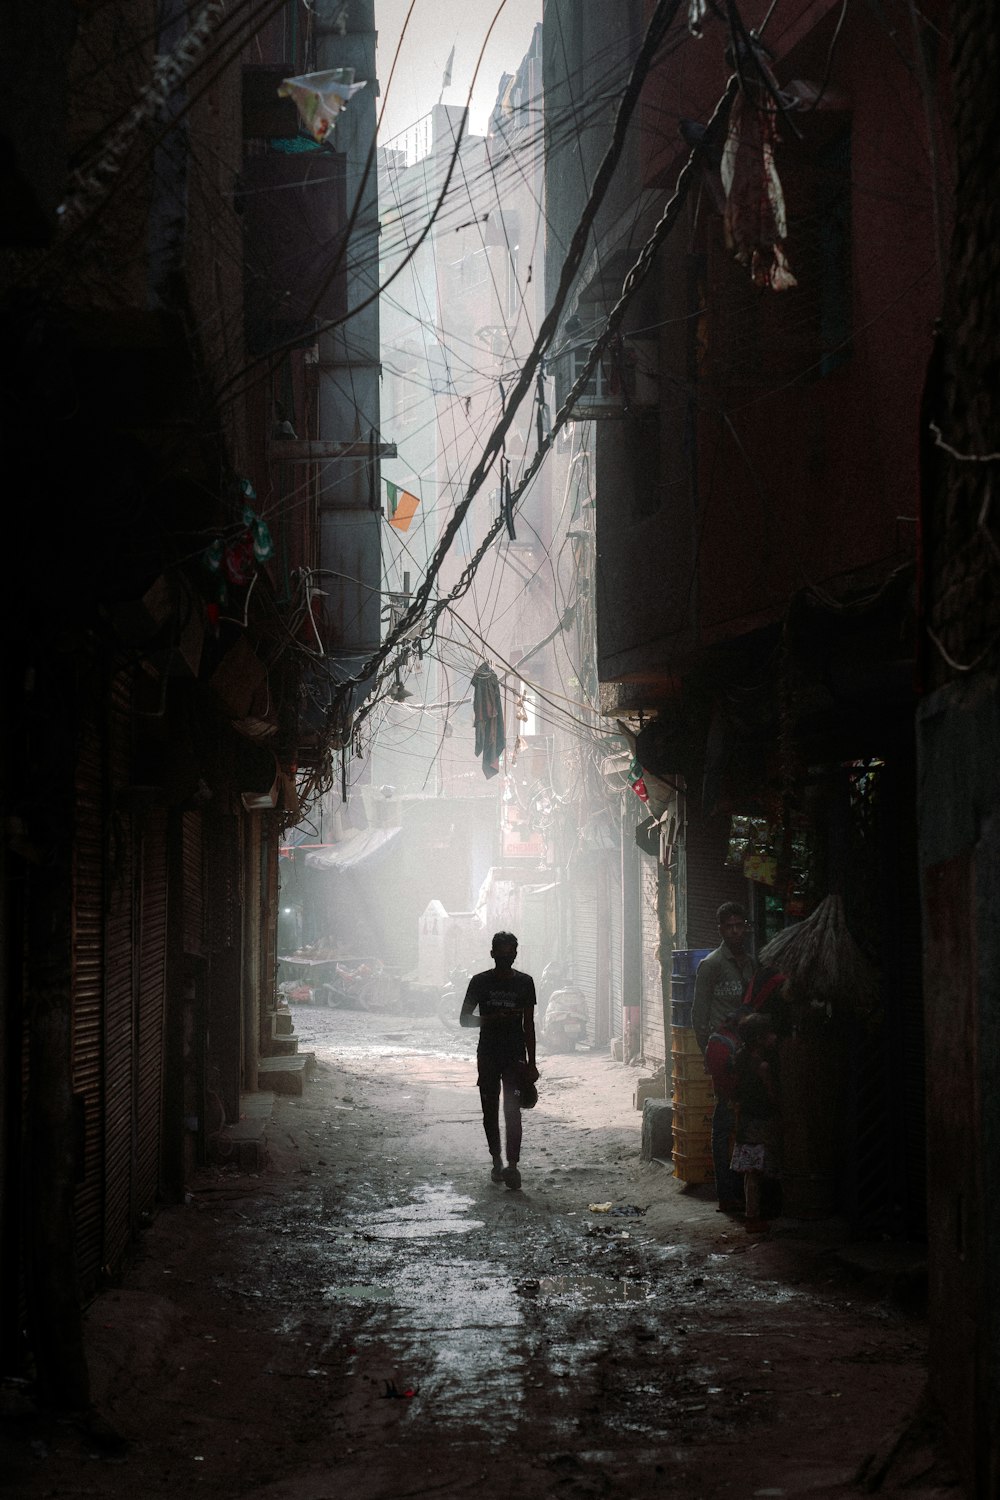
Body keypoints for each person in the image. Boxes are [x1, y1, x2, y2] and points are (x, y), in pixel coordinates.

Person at [460, 932, 539, 1190]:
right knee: (490, 1109)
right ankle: (497, 1161)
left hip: (515, 1057)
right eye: (502, 952)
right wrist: (495, 1019)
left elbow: (529, 1025)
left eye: (511, 952)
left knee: (512, 1111)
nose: (507, 956)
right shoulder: (479, 982)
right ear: (492, 953)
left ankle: (512, 1165)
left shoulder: (526, 983)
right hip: (488, 1055)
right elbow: (464, 1019)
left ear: (516, 954)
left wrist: (532, 1063)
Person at [693, 903, 757, 1209]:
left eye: (739, 925)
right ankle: (726, 1193)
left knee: (746, 1122)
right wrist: (709, 1050)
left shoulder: (750, 964)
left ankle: (748, 1190)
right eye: (729, 926)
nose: (735, 931)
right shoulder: (712, 965)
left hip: (748, 1054)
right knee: (724, 1121)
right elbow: (698, 1013)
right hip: (724, 1055)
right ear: (721, 930)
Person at [731, 1011, 782, 1234]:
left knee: (750, 1172)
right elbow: (772, 1096)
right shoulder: (762, 1067)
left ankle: (751, 1214)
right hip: (760, 1123)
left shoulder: (740, 1059)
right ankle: (754, 1217)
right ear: (759, 1039)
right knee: (757, 1172)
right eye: (769, 1034)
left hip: (745, 1121)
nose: (774, 1037)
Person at [703, 1012, 744, 1214]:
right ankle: (733, 1195)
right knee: (737, 1145)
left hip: (726, 1100)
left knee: (722, 1144)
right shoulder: (729, 1042)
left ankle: (728, 1196)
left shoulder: (717, 1040)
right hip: (733, 1101)